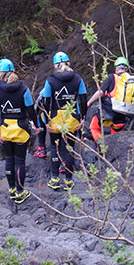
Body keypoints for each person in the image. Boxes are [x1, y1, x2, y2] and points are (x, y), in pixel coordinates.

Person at [0, 58, 39, 204]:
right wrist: (36, 125)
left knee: (9, 159)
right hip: (21, 130)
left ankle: (11, 189)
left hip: (5, 130)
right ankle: (20, 192)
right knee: (20, 162)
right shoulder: (23, 88)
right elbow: (30, 109)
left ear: (0, 73)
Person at [36, 51, 88, 191]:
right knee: (70, 148)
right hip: (72, 118)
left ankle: (54, 179)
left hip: (55, 118)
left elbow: (46, 101)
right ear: (68, 63)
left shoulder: (51, 80)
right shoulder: (77, 79)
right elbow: (83, 99)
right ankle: (69, 181)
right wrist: (82, 118)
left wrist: (46, 122)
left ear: (55, 65)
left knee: (55, 147)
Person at [86, 56, 134, 141]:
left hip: (107, 113)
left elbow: (101, 92)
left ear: (116, 68)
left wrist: (89, 103)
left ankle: (102, 145)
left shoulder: (111, 77)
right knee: (116, 135)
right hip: (122, 114)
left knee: (94, 127)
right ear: (127, 69)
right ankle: (112, 149)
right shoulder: (131, 82)